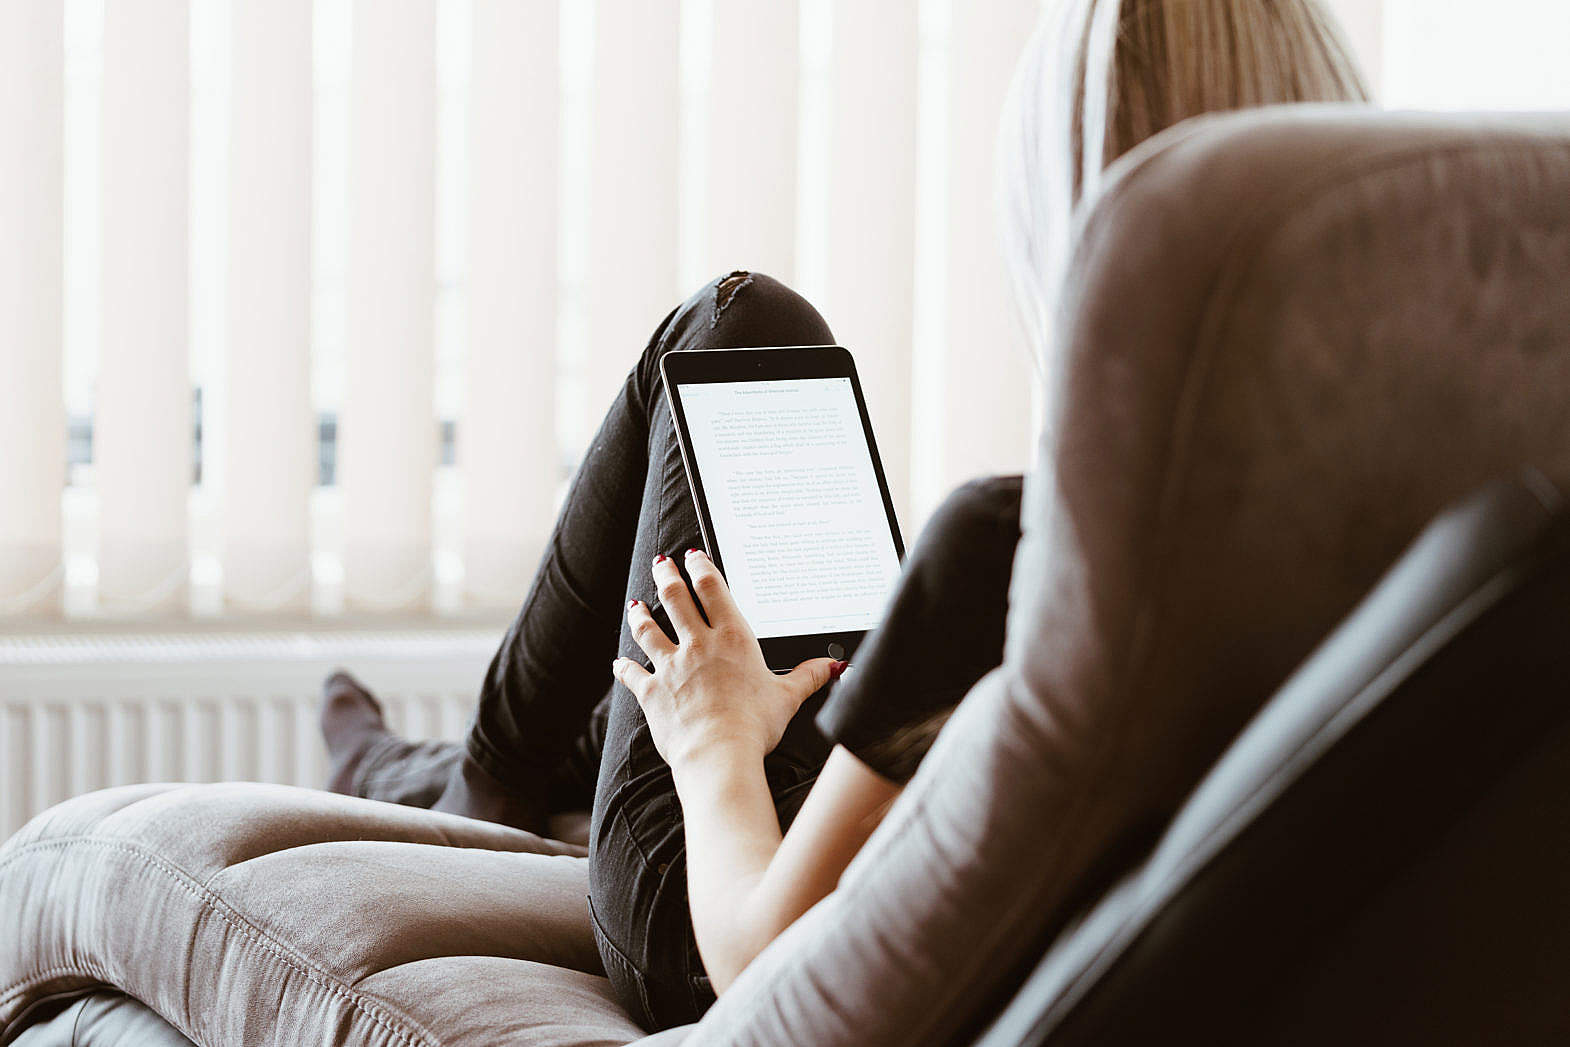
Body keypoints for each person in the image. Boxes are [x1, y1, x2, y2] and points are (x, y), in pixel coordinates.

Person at [319, 0, 1370, 1031]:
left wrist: (717, 746)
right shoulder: (1402, 540)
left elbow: (761, 961)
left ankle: (480, 777)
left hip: (698, 929)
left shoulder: (1016, 552)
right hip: (901, 850)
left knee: (735, 326)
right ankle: (437, 768)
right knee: (704, 660)